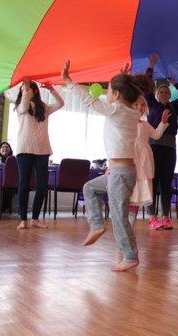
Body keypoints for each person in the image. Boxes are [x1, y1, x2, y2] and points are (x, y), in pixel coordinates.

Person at [63, 61, 144, 272]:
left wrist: (69, 82)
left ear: (116, 95)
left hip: (120, 174)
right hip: (118, 172)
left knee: (118, 216)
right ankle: (97, 225)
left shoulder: (116, 109)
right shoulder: (133, 111)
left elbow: (90, 100)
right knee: (89, 188)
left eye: (109, 90)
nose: (106, 94)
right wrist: (123, 78)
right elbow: (127, 97)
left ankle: (130, 256)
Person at [4, 79, 64, 230]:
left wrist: (51, 89)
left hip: (42, 150)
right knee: (24, 184)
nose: (25, 90)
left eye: (29, 88)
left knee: (42, 186)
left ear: (35, 91)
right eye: (24, 89)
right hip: (24, 149)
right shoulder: (20, 106)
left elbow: (61, 103)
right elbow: (24, 106)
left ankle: (35, 218)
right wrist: (25, 88)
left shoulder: (44, 107)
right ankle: (23, 219)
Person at [144, 54, 178, 230]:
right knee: (152, 181)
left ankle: (165, 217)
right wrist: (151, 66)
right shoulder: (151, 103)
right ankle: (152, 217)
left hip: (170, 148)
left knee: (166, 183)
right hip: (153, 146)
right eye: (161, 92)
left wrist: (173, 82)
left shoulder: (174, 107)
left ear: (169, 95)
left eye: (166, 92)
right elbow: (147, 85)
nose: (164, 94)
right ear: (156, 94)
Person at [128, 96, 170, 225]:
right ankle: (126, 224)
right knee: (130, 191)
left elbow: (156, 135)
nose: (140, 107)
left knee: (139, 193)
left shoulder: (145, 124)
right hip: (131, 158)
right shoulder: (126, 122)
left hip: (144, 160)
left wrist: (163, 122)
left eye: (142, 105)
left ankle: (131, 225)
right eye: (136, 104)